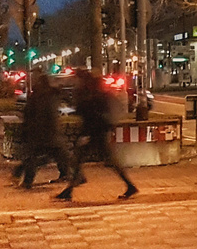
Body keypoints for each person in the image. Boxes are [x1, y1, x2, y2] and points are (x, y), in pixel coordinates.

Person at [57, 70, 137, 201]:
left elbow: (90, 113)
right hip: (96, 131)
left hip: (95, 132)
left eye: (75, 78)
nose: (73, 81)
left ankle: (130, 185)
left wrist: (86, 133)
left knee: (82, 159)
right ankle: (69, 189)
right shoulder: (88, 91)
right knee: (79, 159)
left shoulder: (90, 93)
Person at [15, 71, 69, 189]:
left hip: (40, 132)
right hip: (50, 132)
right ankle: (70, 175)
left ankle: (26, 180)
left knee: (34, 157)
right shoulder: (50, 96)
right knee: (58, 155)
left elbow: (30, 115)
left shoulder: (38, 97)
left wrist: (26, 130)